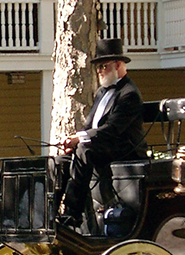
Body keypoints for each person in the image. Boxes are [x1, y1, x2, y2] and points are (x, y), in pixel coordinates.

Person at [58, 38, 146, 230]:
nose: (99, 71)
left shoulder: (129, 94)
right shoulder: (101, 93)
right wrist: (71, 139)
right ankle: (52, 212)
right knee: (59, 160)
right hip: (102, 146)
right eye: (97, 67)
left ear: (118, 64)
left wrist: (80, 139)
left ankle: (72, 215)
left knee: (84, 150)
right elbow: (90, 126)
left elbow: (113, 130)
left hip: (123, 149)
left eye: (103, 66)